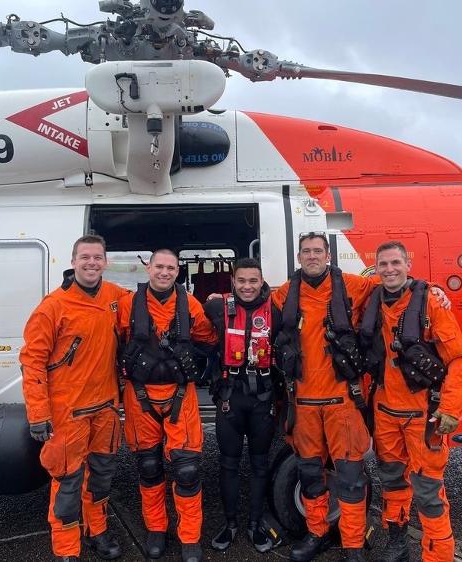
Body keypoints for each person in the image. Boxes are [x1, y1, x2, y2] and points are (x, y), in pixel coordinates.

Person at [359, 241, 462, 562]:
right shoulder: (372, 298)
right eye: (383, 264)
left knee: (429, 492)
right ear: (376, 268)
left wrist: (450, 408)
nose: (390, 270)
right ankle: (398, 544)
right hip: (384, 412)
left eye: (396, 263)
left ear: (408, 264)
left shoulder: (430, 302)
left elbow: (460, 360)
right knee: (392, 481)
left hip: (423, 415)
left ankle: (437, 557)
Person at [20, 235, 128, 562]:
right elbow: (32, 360)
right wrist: (38, 414)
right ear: (73, 261)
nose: (92, 263)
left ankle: (98, 531)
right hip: (69, 413)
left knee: (102, 476)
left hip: (106, 408)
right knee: (68, 483)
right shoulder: (53, 306)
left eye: (97, 257)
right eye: (85, 257)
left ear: (105, 262)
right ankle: (67, 549)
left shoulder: (115, 296)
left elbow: (149, 305)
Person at [272, 232, 377, 562]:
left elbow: (394, 287)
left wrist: (428, 290)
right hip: (303, 405)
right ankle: (316, 533)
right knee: (310, 476)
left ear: (328, 254)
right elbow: (251, 302)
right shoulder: (285, 293)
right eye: (307, 251)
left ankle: (353, 544)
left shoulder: (353, 286)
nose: (312, 256)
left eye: (318, 251)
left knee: (349, 479)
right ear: (299, 256)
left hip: (341, 404)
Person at [117, 249, 217, 562]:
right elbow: (113, 341)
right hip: (140, 394)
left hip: (179, 395)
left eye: (170, 268)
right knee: (148, 467)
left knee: (187, 470)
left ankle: (190, 538)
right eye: (159, 266)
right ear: (148, 268)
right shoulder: (126, 305)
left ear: (178, 271)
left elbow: (210, 337)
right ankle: (156, 530)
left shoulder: (191, 305)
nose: (164, 272)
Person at [203, 257, 282, 553]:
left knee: (260, 465)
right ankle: (231, 523)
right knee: (228, 464)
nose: (247, 287)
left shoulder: (276, 310)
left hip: (262, 399)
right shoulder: (215, 307)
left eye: (253, 281)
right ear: (232, 282)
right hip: (230, 399)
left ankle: (255, 524)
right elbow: (179, 308)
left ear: (262, 282)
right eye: (241, 281)